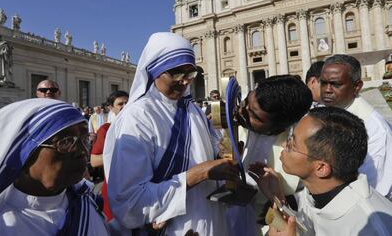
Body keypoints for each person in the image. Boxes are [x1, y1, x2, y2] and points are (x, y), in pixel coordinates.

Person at [103, 32, 240, 235]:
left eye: (190, 74)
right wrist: (200, 173)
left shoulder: (193, 110)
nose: (184, 82)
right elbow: (129, 202)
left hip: (213, 219)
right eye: (176, 73)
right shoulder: (138, 116)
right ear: (156, 71)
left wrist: (221, 155)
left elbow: (207, 153)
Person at [252, 107, 392, 235]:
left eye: (292, 145)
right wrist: (279, 199)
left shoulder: (370, 228)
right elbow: (309, 227)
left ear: (321, 168)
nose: (283, 147)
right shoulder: (320, 191)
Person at [0, 98, 110, 235]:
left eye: (85, 139)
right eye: (66, 142)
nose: (82, 151)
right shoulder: (5, 225)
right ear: (22, 153)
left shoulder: (87, 200)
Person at [227, 75, 313, 236]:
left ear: (280, 127)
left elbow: (295, 219)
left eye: (254, 115)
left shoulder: (301, 154)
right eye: (246, 103)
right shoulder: (230, 125)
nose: (241, 111)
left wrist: (276, 198)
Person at [320, 54, 392, 197]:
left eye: (336, 84)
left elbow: (374, 186)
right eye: (323, 83)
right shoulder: (322, 113)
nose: (327, 90)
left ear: (357, 86)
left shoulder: (374, 129)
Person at [90, 90, 129, 221]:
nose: (125, 106)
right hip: (115, 187)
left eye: (127, 102)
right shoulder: (106, 129)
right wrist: (122, 154)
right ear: (111, 108)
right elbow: (94, 161)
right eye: (120, 104)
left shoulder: (142, 126)